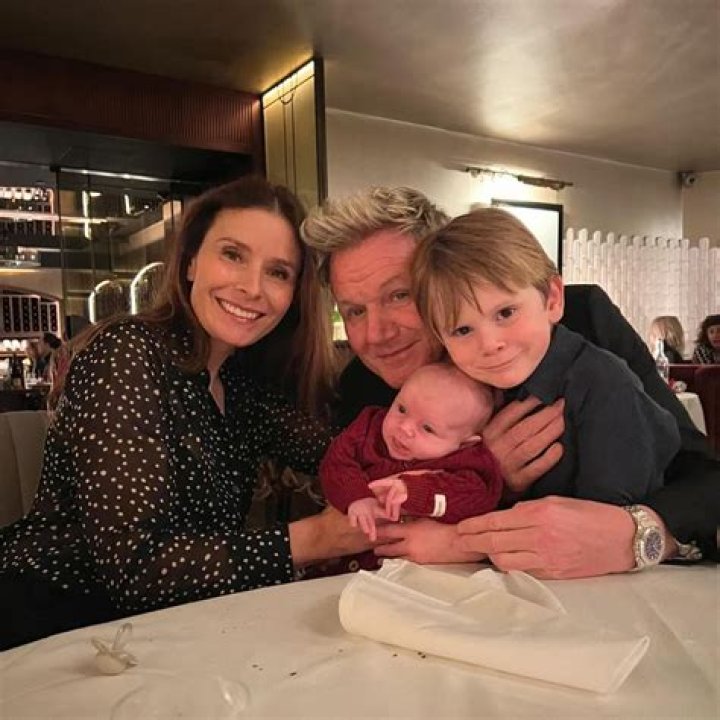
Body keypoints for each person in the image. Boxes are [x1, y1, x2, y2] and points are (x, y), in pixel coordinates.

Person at [0, 176, 370, 650]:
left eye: (278, 272)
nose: (252, 287)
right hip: (47, 626)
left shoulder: (242, 384)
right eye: (233, 255)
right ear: (191, 261)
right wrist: (317, 538)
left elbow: (342, 451)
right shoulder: (128, 352)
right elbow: (135, 568)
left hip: (165, 635)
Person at [301, 186, 719, 577]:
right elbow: (375, 525)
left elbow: (702, 474)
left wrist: (639, 534)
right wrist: (485, 474)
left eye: (399, 295)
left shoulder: (579, 325)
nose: (376, 334)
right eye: (354, 311)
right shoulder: (362, 390)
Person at [411, 207, 680, 507]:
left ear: (552, 299)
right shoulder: (461, 388)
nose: (489, 344)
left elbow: (605, 518)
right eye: (462, 330)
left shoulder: (605, 385)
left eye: (505, 313)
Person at [320, 362, 502, 541]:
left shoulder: (469, 463)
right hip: (357, 546)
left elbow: (477, 499)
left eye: (427, 428)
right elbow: (336, 462)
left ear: (464, 444)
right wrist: (356, 497)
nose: (405, 427)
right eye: (402, 409)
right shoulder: (368, 428)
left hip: (424, 553)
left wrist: (416, 491)